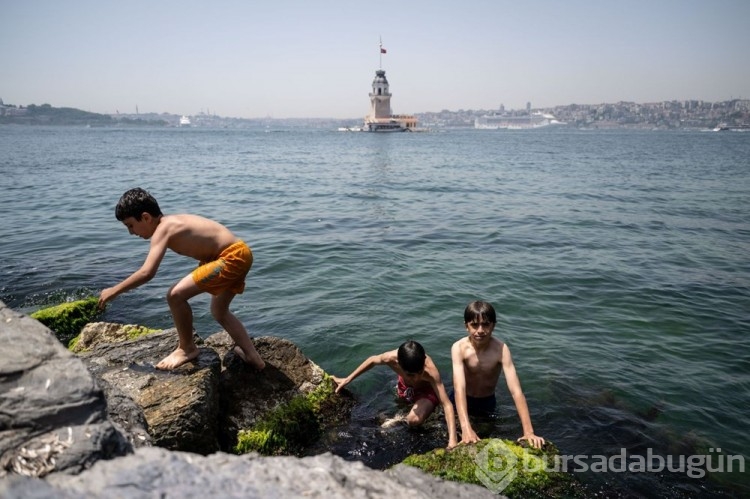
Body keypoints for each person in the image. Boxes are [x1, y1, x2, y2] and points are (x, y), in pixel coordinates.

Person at [98, 187, 265, 371]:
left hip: (230, 257)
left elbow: (147, 272)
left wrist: (113, 291)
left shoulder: (164, 228)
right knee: (219, 310)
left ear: (146, 217)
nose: (131, 232)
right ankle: (253, 357)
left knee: (175, 295)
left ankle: (187, 348)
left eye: (130, 225)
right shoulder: (171, 222)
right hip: (239, 253)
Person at [451, 300, 545, 449]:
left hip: (487, 403)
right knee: (456, 437)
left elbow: (516, 391)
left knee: (486, 440)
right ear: (466, 326)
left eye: (486, 324)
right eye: (474, 325)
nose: (480, 330)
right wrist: (465, 427)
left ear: (493, 325)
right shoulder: (459, 348)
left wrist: (529, 431)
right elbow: (459, 388)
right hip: (463, 400)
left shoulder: (501, 350)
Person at [332, 340, 458, 449]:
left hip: (426, 391)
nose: (417, 378)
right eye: (410, 375)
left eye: (420, 372)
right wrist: (347, 379)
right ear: (399, 364)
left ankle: (402, 418)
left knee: (414, 420)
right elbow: (372, 360)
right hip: (405, 387)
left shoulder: (431, 371)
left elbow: (447, 404)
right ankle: (402, 414)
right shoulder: (390, 358)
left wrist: (452, 440)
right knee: (401, 405)